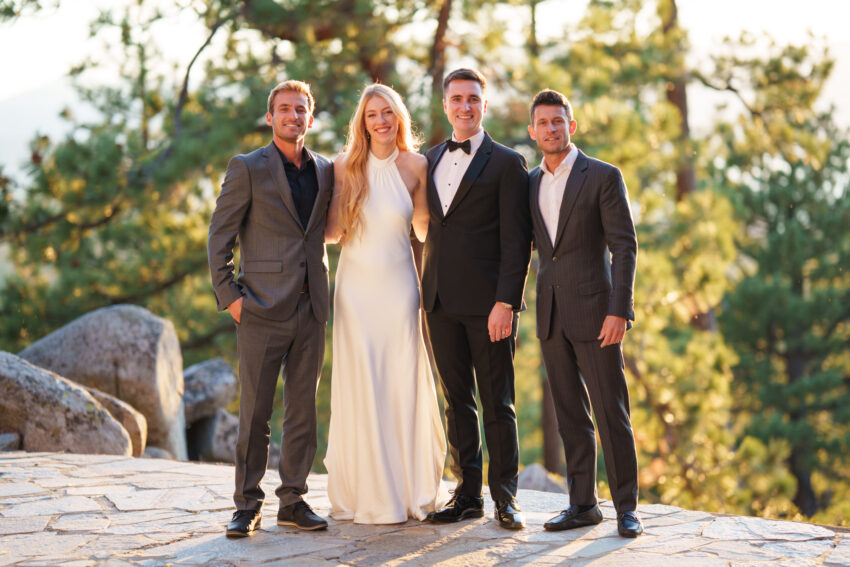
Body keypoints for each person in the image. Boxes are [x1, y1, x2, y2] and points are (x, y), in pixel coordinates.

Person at [208, 80, 334, 537]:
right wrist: (233, 299)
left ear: (310, 119)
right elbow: (219, 237)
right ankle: (246, 504)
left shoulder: (326, 170)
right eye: (284, 109)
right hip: (259, 309)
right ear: (270, 117)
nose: (292, 116)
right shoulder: (247, 167)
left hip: (311, 309)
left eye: (300, 110)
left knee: (302, 412)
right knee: (256, 413)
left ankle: (293, 501)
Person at [323, 83, 447, 524]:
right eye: (373, 114)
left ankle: (407, 491)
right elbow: (332, 232)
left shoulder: (416, 165)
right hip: (355, 291)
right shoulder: (343, 167)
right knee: (363, 384)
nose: (381, 120)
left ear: (399, 118)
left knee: (400, 381)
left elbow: (428, 230)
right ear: (363, 121)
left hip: (399, 289)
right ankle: (369, 494)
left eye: (388, 113)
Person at [526, 89, 643, 538]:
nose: (552, 129)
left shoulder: (603, 176)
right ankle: (581, 505)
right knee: (570, 414)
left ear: (571, 126)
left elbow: (624, 247)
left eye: (559, 121)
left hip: (598, 314)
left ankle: (626, 509)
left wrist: (620, 310)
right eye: (543, 123)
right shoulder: (530, 183)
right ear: (534, 131)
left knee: (612, 413)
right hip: (552, 314)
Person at [422, 68, 532, 530]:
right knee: (457, 402)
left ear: (484, 106)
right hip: (440, 302)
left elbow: (517, 240)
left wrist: (506, 302)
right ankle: (467, 494)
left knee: (497, 403)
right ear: (445, 105)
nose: (464, 106)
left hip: (489, 307)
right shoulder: (427, 159)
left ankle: (505, 497)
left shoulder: (508, 163)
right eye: (457, 99)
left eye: (473, 99)